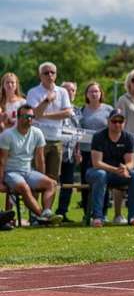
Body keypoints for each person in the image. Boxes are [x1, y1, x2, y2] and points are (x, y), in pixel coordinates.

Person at [0, 104, 61, 225]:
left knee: (51, 183)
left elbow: (40, 158)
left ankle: (47, 213)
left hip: (28, 171)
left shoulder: (37, 133)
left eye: (31, 116)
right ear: (18, 117)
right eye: (26, 116)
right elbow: (2, 161)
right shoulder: (7, 135)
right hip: (11, 172)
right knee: (24, 187)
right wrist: (0, 182)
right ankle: (42, 216)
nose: (29, 119)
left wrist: (42, 176)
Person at [86, 110, 134, 227]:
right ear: (108, 121)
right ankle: (97, 217)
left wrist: (125, 168)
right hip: (96, 172)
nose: (117, 124)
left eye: (120, 121)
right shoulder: (98, 136)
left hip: (118, 173)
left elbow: (131, 162)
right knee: (101, 174)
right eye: (114, 121)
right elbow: (97, 163)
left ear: (124, 123)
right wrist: (116, 170)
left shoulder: (128, 138)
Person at [26, 62, 72, 189]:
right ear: (40, 76)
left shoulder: (62, 92)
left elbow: (68, 113)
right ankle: (34, 209)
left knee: (53, 179)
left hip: (57, 140)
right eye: (46, 73)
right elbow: (34, 114)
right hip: (37, 140)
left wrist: (44, 115)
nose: (50, 75)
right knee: (35, 177)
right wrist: (47, 100)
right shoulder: (33, 92)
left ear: (56, 75)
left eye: (52, 72)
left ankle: (47, 209)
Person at [56, 81, 81, 222]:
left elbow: (79, 132)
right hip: (55, 151)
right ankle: (44, 212)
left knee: (68, 183)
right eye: (66, 90)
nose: (69, 92)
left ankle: (62, 212)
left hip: (70, 153)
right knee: (52, 182)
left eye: (72, 90)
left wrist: (78, 151)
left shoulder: (77, 111)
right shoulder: (56, 108)